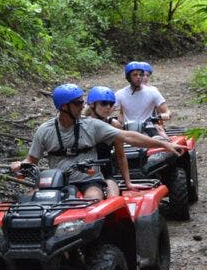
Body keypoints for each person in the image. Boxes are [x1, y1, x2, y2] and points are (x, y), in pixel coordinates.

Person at [11, 83, 184, 201]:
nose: (82, 106)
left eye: (83, 102)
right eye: (78, 103)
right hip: (57, 182)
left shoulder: (92, 125)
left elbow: (128, 136)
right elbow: (31, 160)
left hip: (90, 179)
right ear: (64, 107)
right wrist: (20, 165)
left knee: (93, 199)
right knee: (30, 201)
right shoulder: (45, 130)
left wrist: (165, 144)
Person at [84, 86, 132, 197]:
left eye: (111, 104)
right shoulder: (81, 123)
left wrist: (128, 182)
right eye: (104, 103)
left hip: (106, 174)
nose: (108, 107)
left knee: (113, 197)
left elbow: (121, 156)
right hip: (84, 174)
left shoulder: (114, 125)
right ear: (92, 104)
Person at [116, 61, 171, 137]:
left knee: (163, 140)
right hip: (128, 129)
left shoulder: (153, 91)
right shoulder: (120, 94)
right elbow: (111, 109)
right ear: (129, 77)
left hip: (149, 127)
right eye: (135, 75)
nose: (139, 77)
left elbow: (167, 111)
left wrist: (164, 116)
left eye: (141, 74)